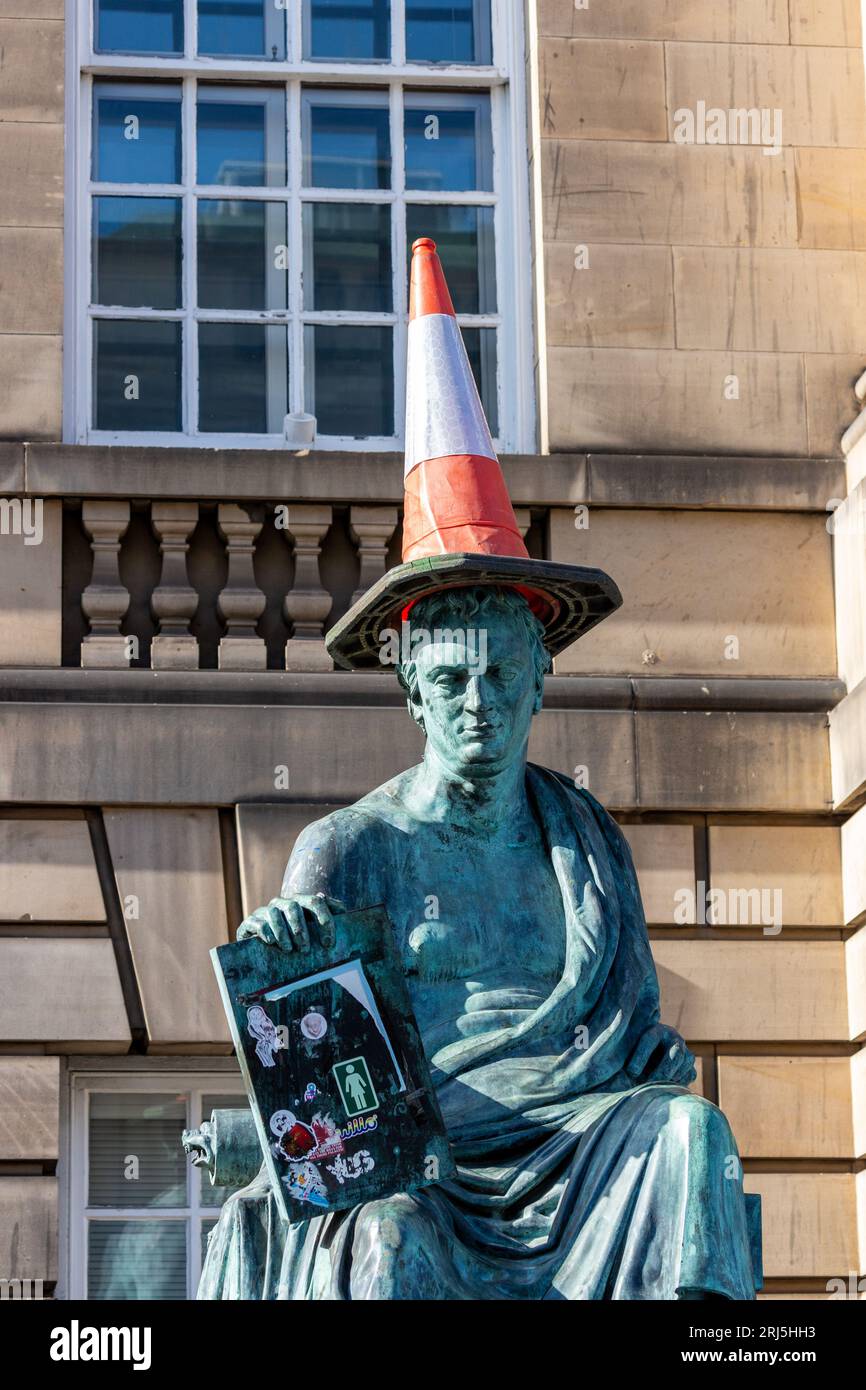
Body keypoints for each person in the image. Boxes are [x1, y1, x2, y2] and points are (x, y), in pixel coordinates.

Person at [198, 240, 759, 1301]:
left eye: (502, 673)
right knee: (389, 1233)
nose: (478, 702)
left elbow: (638, 1032)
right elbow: (304, 1092)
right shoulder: (347, 850)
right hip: (423, 1160)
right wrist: (280, 968)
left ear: (540, 678)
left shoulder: (584, 840)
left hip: (580, 1136)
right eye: (451, 678)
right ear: (411, 687)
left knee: (692, 1134)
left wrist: (657, 1063)